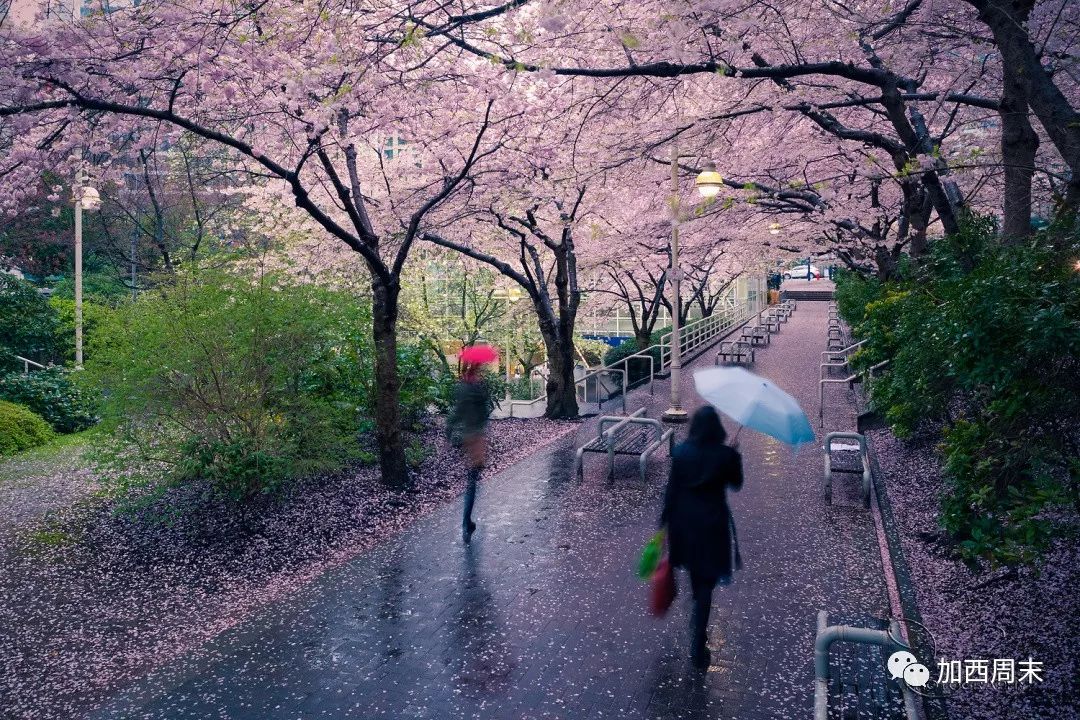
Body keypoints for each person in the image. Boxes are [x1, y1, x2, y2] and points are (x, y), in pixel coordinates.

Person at [659, 406, 743, 669]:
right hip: (712, 526)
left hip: (684, 526)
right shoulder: (725, 455)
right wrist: (734, 454)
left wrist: (663, 525)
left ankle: (697, 610)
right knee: (706, 585)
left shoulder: (682, 452)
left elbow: (671, 491)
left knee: (696, 576)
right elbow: (736, 483)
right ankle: (699, 639)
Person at [447, 360, 491, 543]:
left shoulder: (462, 388)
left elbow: (457, 412)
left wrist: (449, 431)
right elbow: (484, 413)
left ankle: (467, 521)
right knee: (472, 481)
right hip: (477, 437)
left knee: (472, 479)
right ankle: (466, 522)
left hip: (467, 435)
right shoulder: (477, 388)